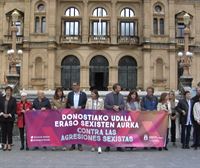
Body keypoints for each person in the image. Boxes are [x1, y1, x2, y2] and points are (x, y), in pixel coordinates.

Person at [104, 83, 125, 152]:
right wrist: (112, 107)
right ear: (115, 88)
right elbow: (106, 105)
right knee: (109, 131)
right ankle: (108, 146)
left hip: (119, 116)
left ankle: (118, 146)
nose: (120, 89)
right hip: (110, 116)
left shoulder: (121, 96)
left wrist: (119, 107)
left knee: (119, 132)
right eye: (119, 88)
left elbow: (123, 104)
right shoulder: (108, 96)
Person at [67, 82, 87, 151]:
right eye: (73, 86)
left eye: (75, 86)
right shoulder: (70, 94)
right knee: (72, 129)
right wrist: (70, 106)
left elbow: (85, 103)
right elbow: (68, 103)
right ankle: (72, 145)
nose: (73, 87)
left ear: (78, 86)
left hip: (80, 114)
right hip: (72, 114)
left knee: (80, 129)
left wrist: (81, 107)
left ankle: (79, 145)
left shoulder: (83, 94)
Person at [85, 89, 104, 154]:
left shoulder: (101, 101)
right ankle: (92, 145)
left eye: (93, 94)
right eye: (91, 94)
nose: (91, 95)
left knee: (98, 132)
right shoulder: (88, 100)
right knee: (92, 132)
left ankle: (99, 145)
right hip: (91, 118)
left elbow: (102, 109)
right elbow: (86, 109)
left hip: (98, 118)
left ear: (96, 94)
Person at [0, 86, 16, 151]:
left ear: (11, 92)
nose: (8, 92)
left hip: (10, 118)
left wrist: (9, 114)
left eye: (9, 91)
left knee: (9, 131)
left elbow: (14, 109)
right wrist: (2, 113)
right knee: (3, 132)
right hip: (2, 117)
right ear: (5, 91)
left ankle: (9, 144)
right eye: (7, 90)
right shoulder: (1, 98)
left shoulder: (13, 99)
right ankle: (4, 144)